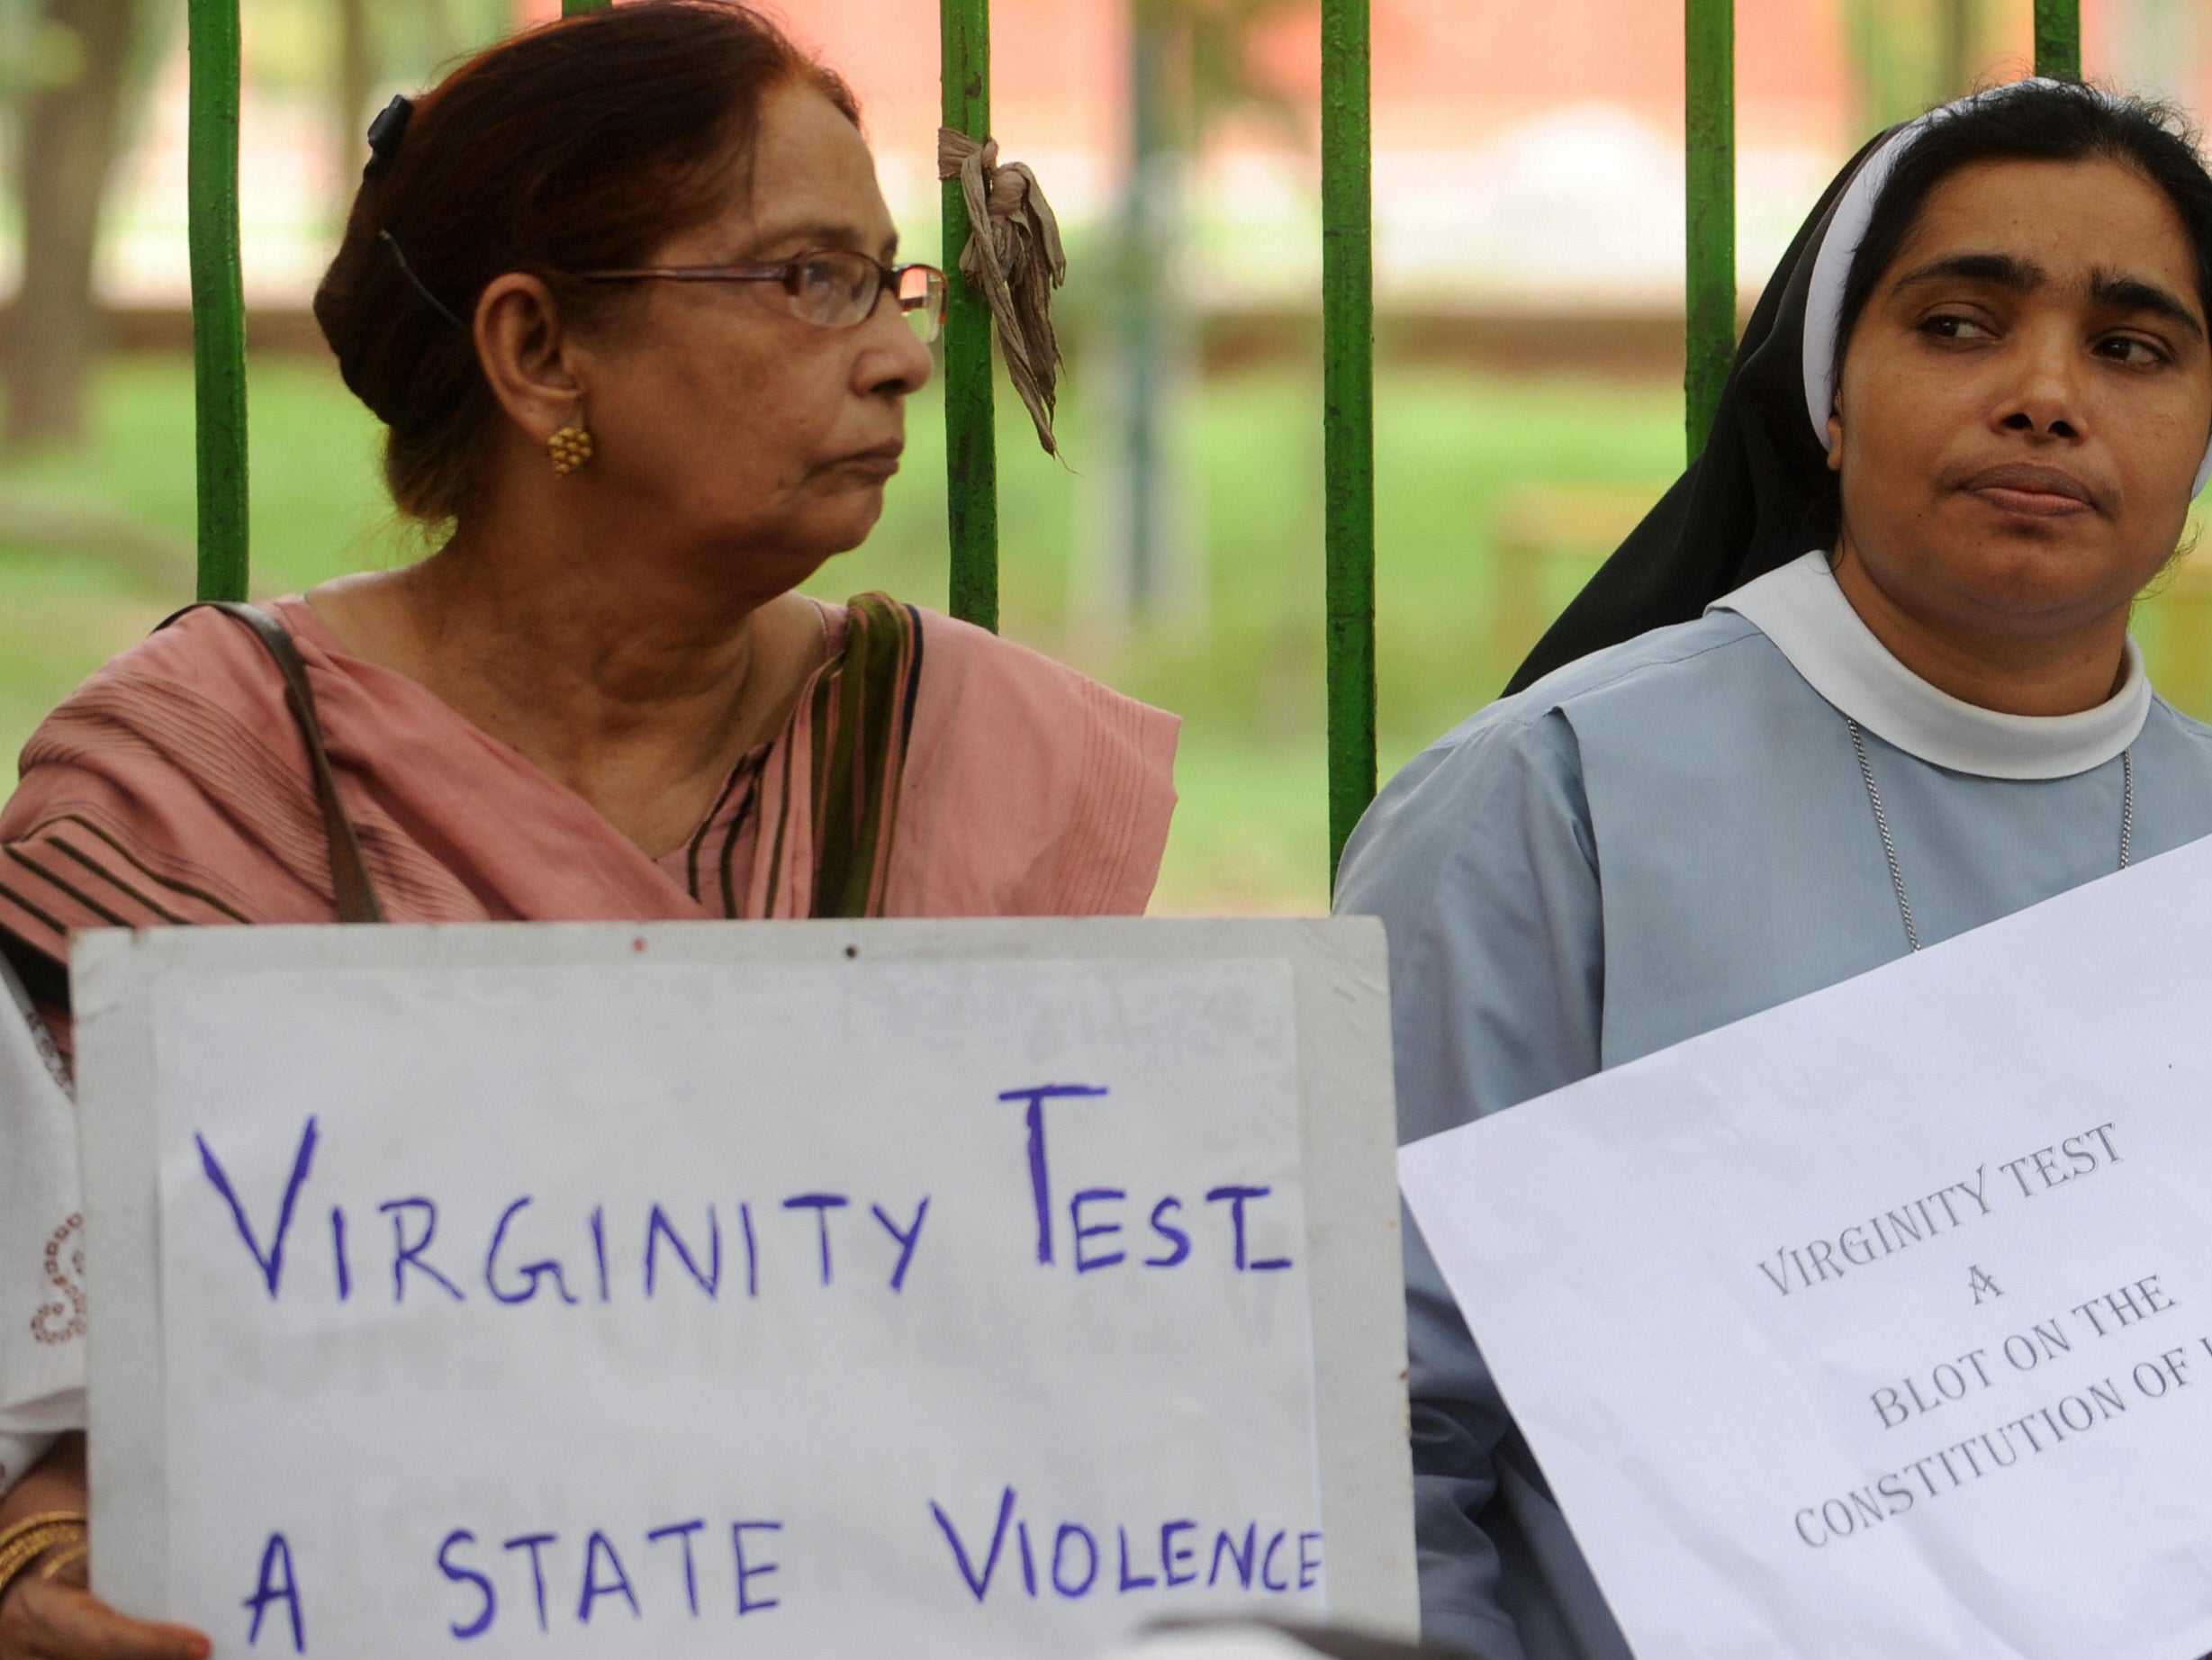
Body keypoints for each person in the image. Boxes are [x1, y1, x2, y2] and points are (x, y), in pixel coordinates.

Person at [0, 4, 1177, 1652]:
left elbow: (1089, 1355)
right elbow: (55, 1375)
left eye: (892, 280)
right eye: (802, 278)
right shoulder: (193, 787)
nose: (907, 350)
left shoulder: (970, 758)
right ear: (540, 351)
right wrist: (33, 1568)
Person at [1335, 78, 2212, 1660]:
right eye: (1956, 324)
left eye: (2131, 347)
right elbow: (1370, 1429)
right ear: (1826, 390)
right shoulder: (1548, 807)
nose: (2043, 394)